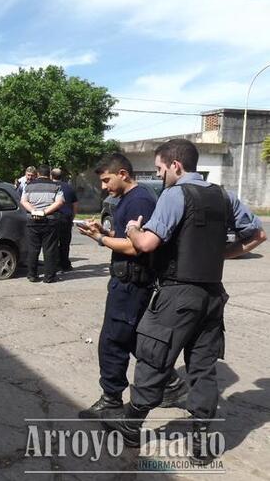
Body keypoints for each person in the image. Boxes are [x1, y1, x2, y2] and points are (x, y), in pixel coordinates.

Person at [105, 139, 266, 464]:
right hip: (212, 295)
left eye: (161, 169)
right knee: (203, 369)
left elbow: (148, 243)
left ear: (175, 166)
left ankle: (132, 423)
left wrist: (134, 229)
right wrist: (222, 254)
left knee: (154, 357)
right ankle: (203, 444)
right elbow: (258, 234)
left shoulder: (175, 195)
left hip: (177, 295)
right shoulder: (223, 195)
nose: (161, 175)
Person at [76, 153, 187, 419]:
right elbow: (125, 236)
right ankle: (171, 384)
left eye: (106, 180)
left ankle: (111, 398)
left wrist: (100, 240)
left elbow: (137, 246)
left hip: (131, 284)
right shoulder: (129, 199)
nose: (104, 187)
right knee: (135, 339)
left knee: (113, 340)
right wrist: (103, 233)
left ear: (123, 174)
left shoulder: (140, 199)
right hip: (127, 282)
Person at [21, 165, 64, 283]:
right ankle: (49, 277)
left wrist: (34, 211)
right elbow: (59, 202)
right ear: (49, 174)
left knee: (33, 249)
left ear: (38, 174)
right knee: (50, 249)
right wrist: (44, 212)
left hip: (32, 220)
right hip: (50, 220)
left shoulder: (29, 186)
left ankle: (32, 275)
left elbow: (23, 201)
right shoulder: (56, 186)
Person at [51, 168, 78, 272]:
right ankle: (65, 264)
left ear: (51, 176)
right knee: (65, 243)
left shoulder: (49, 187)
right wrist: (72, 217)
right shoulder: (69, 188)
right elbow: (75, 205)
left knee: (53, 243)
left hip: (53, 217)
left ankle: (56, 265)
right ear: (61, 176)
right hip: (66, 218)